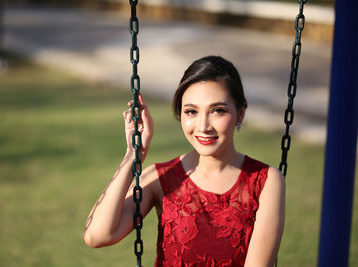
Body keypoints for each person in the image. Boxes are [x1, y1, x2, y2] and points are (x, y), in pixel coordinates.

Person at [83, 56, 285, 267]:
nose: (203, 126)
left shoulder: (265, 181)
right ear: (180, 114)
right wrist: (133, 155)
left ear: (240, 113)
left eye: (218, 110)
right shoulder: (161, 177)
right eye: (191, 111)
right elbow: (97, 236)